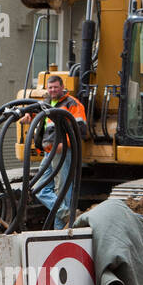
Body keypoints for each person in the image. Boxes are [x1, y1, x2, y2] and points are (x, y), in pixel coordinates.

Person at [33, 75, 88, 227]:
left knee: (62, 192)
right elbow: (42, 121)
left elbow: (80, 130)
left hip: (63, 152)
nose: (53, 90)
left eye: (55, 87)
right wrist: (28, 116)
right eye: (50, 87)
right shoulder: (47, 103)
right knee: (40, 189)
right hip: (49, 152)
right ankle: (67, 214)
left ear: (62, 87)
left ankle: (60, 231)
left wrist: (63, 145)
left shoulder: (72, 104)